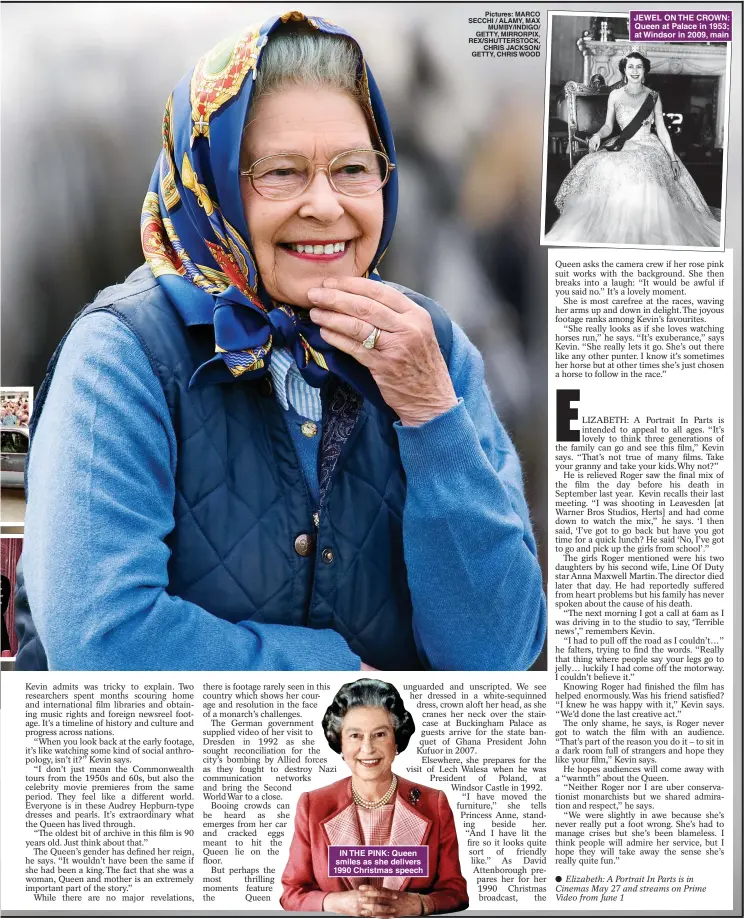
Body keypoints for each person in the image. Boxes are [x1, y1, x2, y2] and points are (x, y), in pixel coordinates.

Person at [14, 12, 546, 671]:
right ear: (211, 186)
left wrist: (432, 413)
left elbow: (496, 655)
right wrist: (337, 680)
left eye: (353, 168)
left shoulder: (431, 349)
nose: (326, 205)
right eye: (282, 172)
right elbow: (104, 640)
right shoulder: (121, 359)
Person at [281, 679, 468, 916]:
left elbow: (456, 892)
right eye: (355, 736)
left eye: (379, 734)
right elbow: (291, 893)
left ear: (396, 740)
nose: (367, 748)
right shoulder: (313, 805)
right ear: (339, 742)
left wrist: (420, 904)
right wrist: (334, 902)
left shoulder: (434, 803)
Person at [545, 52, 721, 247]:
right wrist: (597, 136)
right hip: (624, 143)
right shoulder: (615, 95)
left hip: (649, 145)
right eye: (631, 67)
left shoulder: (653, 96)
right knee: (603, 165)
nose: (635, 71)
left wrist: (672, 158)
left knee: (643, 166)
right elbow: (608, 127)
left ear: (644, 70)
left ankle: (646, 228)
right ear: (624, 70)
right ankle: (609, 226)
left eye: (639, 67)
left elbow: (661, 129)